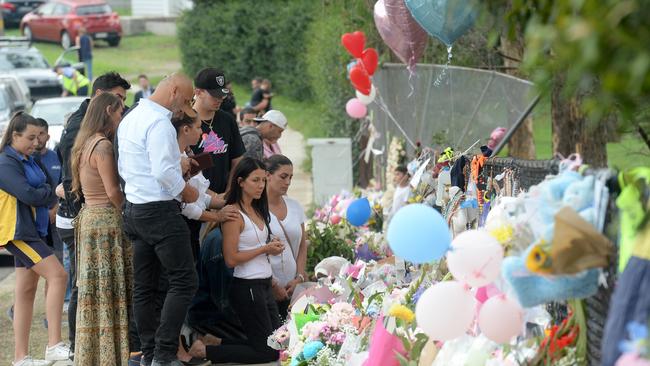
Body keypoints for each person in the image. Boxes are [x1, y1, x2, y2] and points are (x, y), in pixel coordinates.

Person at [118, 73, 200, 366]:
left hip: (135, 208)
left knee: (145, 286)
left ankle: (149, 352)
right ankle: (165, 353)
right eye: (188, 99)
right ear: (174, 90)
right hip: (159, 210)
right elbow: (163, 173)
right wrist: (186, 191)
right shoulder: (159, 122)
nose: (187, 106)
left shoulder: (132, 116)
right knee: (184, 281)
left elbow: (131, 165)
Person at [55, 71, 131, 356]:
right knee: (109, 289)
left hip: (89, 219)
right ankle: (112, 351)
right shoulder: (103, 145)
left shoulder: (83, 143)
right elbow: (112, 191)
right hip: (106, 221)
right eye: (120, 111)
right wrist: (128, 211)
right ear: (108, 111)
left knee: (91, 290)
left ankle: (90, 350)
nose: (121, 118)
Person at [188, 157, 284, 364]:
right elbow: (231, 259)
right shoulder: (233, 214)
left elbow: (255, 244)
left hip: (263, 283)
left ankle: (216, 342)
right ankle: (205, 352)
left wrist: (270, 247)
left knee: (279, 344)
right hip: (247, 287)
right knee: (268, 352)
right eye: (255, 180)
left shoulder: (258, 210)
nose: (261, 186)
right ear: (240, 182)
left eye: (263, 180)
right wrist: (264, 248)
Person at [0, 112, 71, 366]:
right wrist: (48, 193)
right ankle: (53, 344)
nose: (36, 141)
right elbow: (31, 193)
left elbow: (51, 187)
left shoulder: (29, 159)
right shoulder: (5, 162)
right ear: (14, 136)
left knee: (26, 292)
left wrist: (47, 193)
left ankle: (21, 358)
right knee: (59, 276)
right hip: (20, 233)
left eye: (39, 136)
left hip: (37, 230)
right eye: (30, 137)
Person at [265, 155, 308, 318]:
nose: (288, 182)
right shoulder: (256, 209)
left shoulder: (295, 206)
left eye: (290, 177)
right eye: (283, 177)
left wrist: (300, 276)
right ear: (267, 175)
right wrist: (273, 284)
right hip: (266, 288)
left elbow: (302, 245)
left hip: (293, 288)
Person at [192, 68, 245, 194]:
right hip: (195, 198)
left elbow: (237, 159)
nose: (220, 99)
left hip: (225, 195)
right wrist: (212, 198)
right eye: (215, 95)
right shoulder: (185, 122)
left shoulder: (227, 119)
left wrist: (229, 191)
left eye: (222, 94)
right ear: (198, 92)